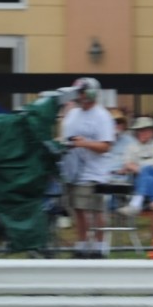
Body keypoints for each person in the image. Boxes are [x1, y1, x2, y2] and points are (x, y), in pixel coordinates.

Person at [59, 77, 115, 258]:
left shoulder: (102, 116)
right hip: (74, 170)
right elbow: (66, 138)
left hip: (94, 172)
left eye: (82, 92)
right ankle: (82, 243)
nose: (79, 96)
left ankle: (100, 245)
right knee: (78, 208)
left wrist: (84, 143)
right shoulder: (73, 114)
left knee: (95, 209)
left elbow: (106, 146)